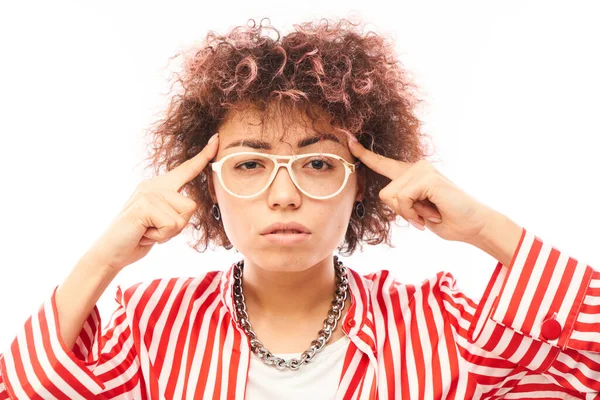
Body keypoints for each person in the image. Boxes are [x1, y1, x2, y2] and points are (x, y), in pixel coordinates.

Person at [0, 17, 598, 400]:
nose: (284, 195)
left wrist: (487, 230)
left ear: (361, 184)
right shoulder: (151, 325)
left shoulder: (442, 326)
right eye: (250, 164)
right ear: (208, 187)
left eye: (317, 164)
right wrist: (104, 256)